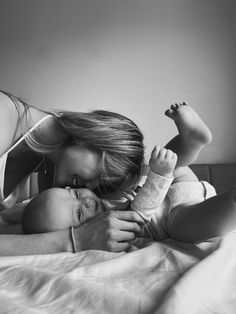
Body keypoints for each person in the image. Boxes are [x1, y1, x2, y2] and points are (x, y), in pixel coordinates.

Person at [22, 103, 236, 243]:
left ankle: (190, 140)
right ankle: (231, 202)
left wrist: (160, 173)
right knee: (189, 227)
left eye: (76, 195)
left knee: (171, 163)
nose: (85, 201)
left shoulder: (99, 192)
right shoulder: (104, 228)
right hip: (173, 216)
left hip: (172, 185)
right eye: (78, 214)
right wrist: (160, 176)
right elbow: (140, 216)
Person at [0, 90, 145, 255]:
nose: (90, 186)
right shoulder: (3, 115)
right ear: (89, 136)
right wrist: (75, 240)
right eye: (99, 174)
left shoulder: (49, 175)